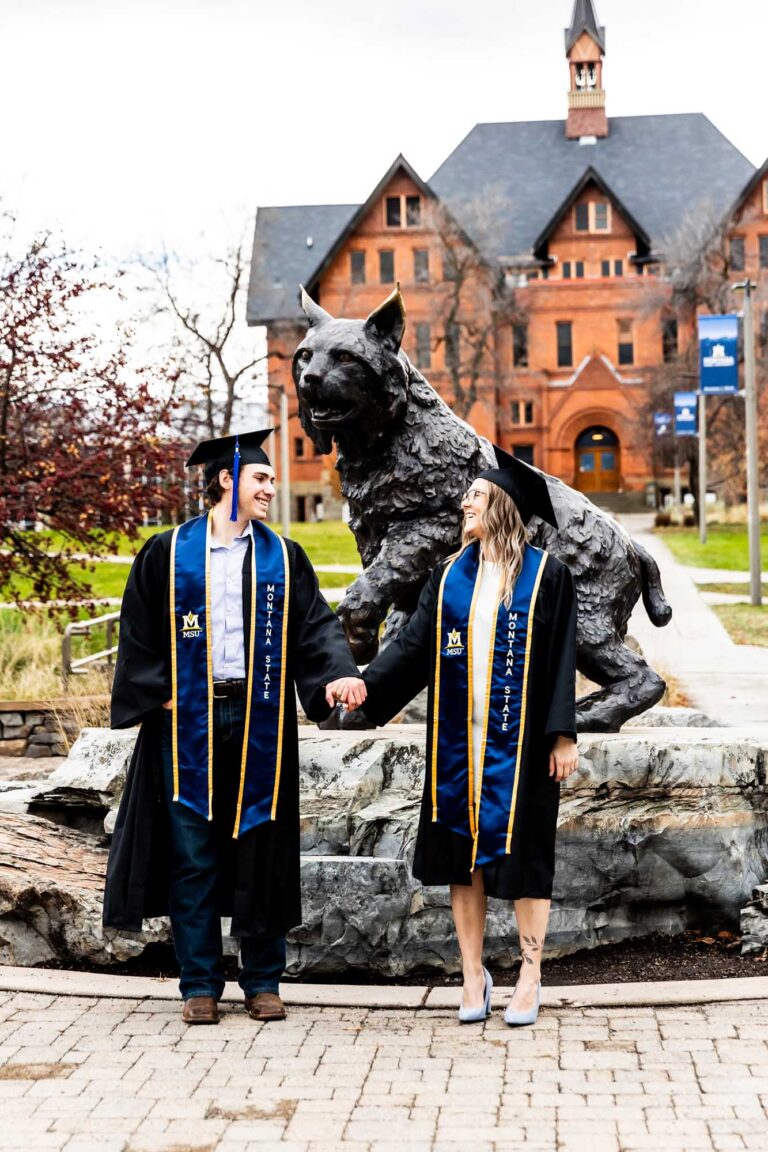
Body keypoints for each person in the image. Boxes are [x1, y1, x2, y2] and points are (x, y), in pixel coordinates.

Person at [103, 429, 364, 1025]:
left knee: (260, 845)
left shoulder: (283, 557)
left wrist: (336, 674)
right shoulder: (167, 553)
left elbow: (317, 627)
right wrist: (157, 693)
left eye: (271, 479)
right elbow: (136, 630)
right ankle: (200, 983)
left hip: (260, 716)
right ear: (228, 479)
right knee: (193, 853)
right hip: (185, 720)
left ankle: (262, 981)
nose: (272, 487)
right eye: (261, 479)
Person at [342, 449, 577, 1026]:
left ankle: (529, 973)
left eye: (475, 494)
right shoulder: (448, 578)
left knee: (526, 861)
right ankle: (473, 975)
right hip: (456, 753)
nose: (464, 502)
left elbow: (561, 658)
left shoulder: (548, 575)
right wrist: (363, 690)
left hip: (520, 751)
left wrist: (562, 734)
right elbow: (410, 650)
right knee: (459, 859)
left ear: (503, 505)